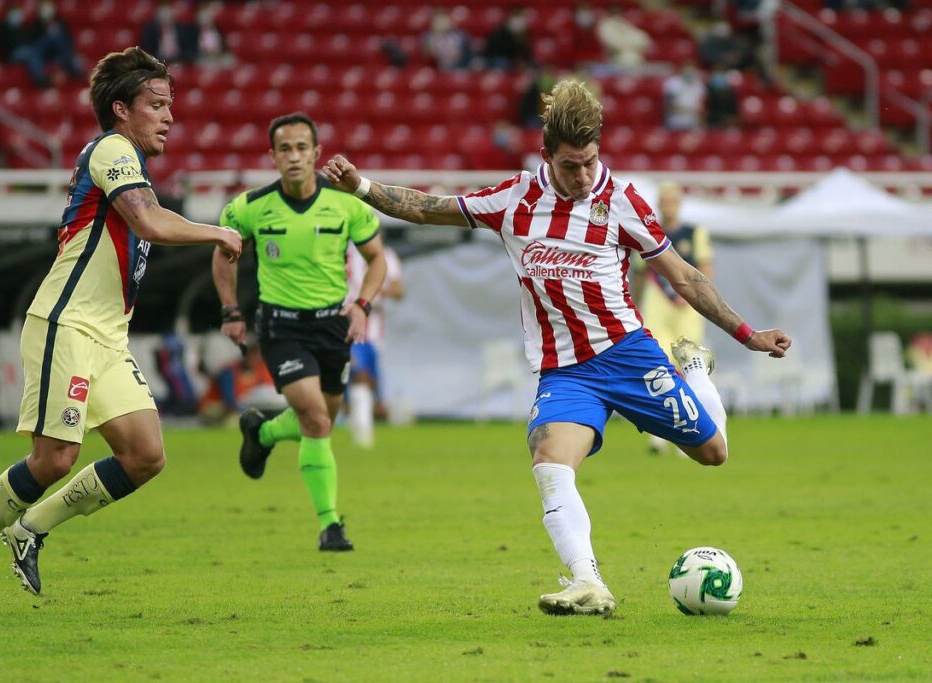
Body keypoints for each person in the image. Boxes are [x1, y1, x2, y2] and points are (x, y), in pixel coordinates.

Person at [322, 79, 791, 616]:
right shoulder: (515, 199)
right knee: (548, 459)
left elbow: (684, 277)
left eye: (591, 161)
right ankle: (589, 583)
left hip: (629, 355)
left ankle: (696, 370)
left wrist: (747, 334)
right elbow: (429, 208)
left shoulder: (621, 201)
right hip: (565, 371)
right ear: (546, 154)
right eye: (571, 165)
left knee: (713, 453)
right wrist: (362, 187)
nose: (584, 175)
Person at [0, 47, 243, 617]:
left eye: (171, 105)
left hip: (109, 337)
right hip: (68, 323)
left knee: (144, 455)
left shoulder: (132, 165)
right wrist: (218, 234)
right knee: (55, 457)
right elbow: (149, 220)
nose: (169, 116)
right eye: (156, 104)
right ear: (120, 109)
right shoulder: (110, 149)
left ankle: (31, 527)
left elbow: (154, 217)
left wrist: (204, 230)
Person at [212, 112, 387, 552]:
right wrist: (231, 311)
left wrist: (362, 305)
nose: (294, 157)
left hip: (333, 325)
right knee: (315, 419)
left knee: (324, 419)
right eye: (284, 149)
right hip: (280, 327)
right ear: (272, 156)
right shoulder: (249, 207)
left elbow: (377, 259)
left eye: (301, 148)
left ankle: (263, 432)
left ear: (316, 153)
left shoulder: (347, 204)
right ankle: (331, 526)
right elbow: (223, 255)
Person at [633, 181, 714, 453]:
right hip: (657, 302)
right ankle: (660, 434)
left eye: (673, 201)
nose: (669, 206)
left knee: (692, 366)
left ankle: (692, 432)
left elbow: (704, 268)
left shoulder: (695, 233)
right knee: (659, 368)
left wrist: (700, 298)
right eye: (664, 201)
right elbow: (641, 274)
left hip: (687, 306)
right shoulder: (648, 231)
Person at [345, 242, 403, 448]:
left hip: (375, 332)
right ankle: (361, 432)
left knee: (370, 382)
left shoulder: (386, 254)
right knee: (358, 375)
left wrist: (376, 292)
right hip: (349, 327)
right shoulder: (346, 251)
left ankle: (361, 422)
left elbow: (398, 290)